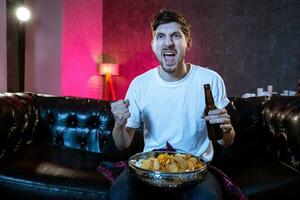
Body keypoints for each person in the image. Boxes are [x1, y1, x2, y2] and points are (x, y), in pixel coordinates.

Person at [107, 9, 235, 200]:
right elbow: (122, 143)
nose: (168, 42)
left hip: (195, 170)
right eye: (161, 36)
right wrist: (118, 124)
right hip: (150, 169)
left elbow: (227, 141)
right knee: (118, 194)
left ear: (188, 43)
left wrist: (225, 128)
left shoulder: (211, 80)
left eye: (176, 35)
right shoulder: (139, 84)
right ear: (153, 45)